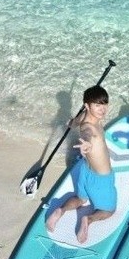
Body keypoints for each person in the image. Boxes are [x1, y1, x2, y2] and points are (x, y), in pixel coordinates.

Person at [45, 85, 116, 243]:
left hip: (85, 170)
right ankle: (88, 220)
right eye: (97, 105)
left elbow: (74, 123)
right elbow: (87, 134)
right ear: (87, 105)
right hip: (101, 179)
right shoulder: (89, 127)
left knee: (81, 199)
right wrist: (87, 144)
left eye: (104, 104)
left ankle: (61, 210)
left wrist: (70, 122)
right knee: (109, 211)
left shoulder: (83, 116)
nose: (103, 109)